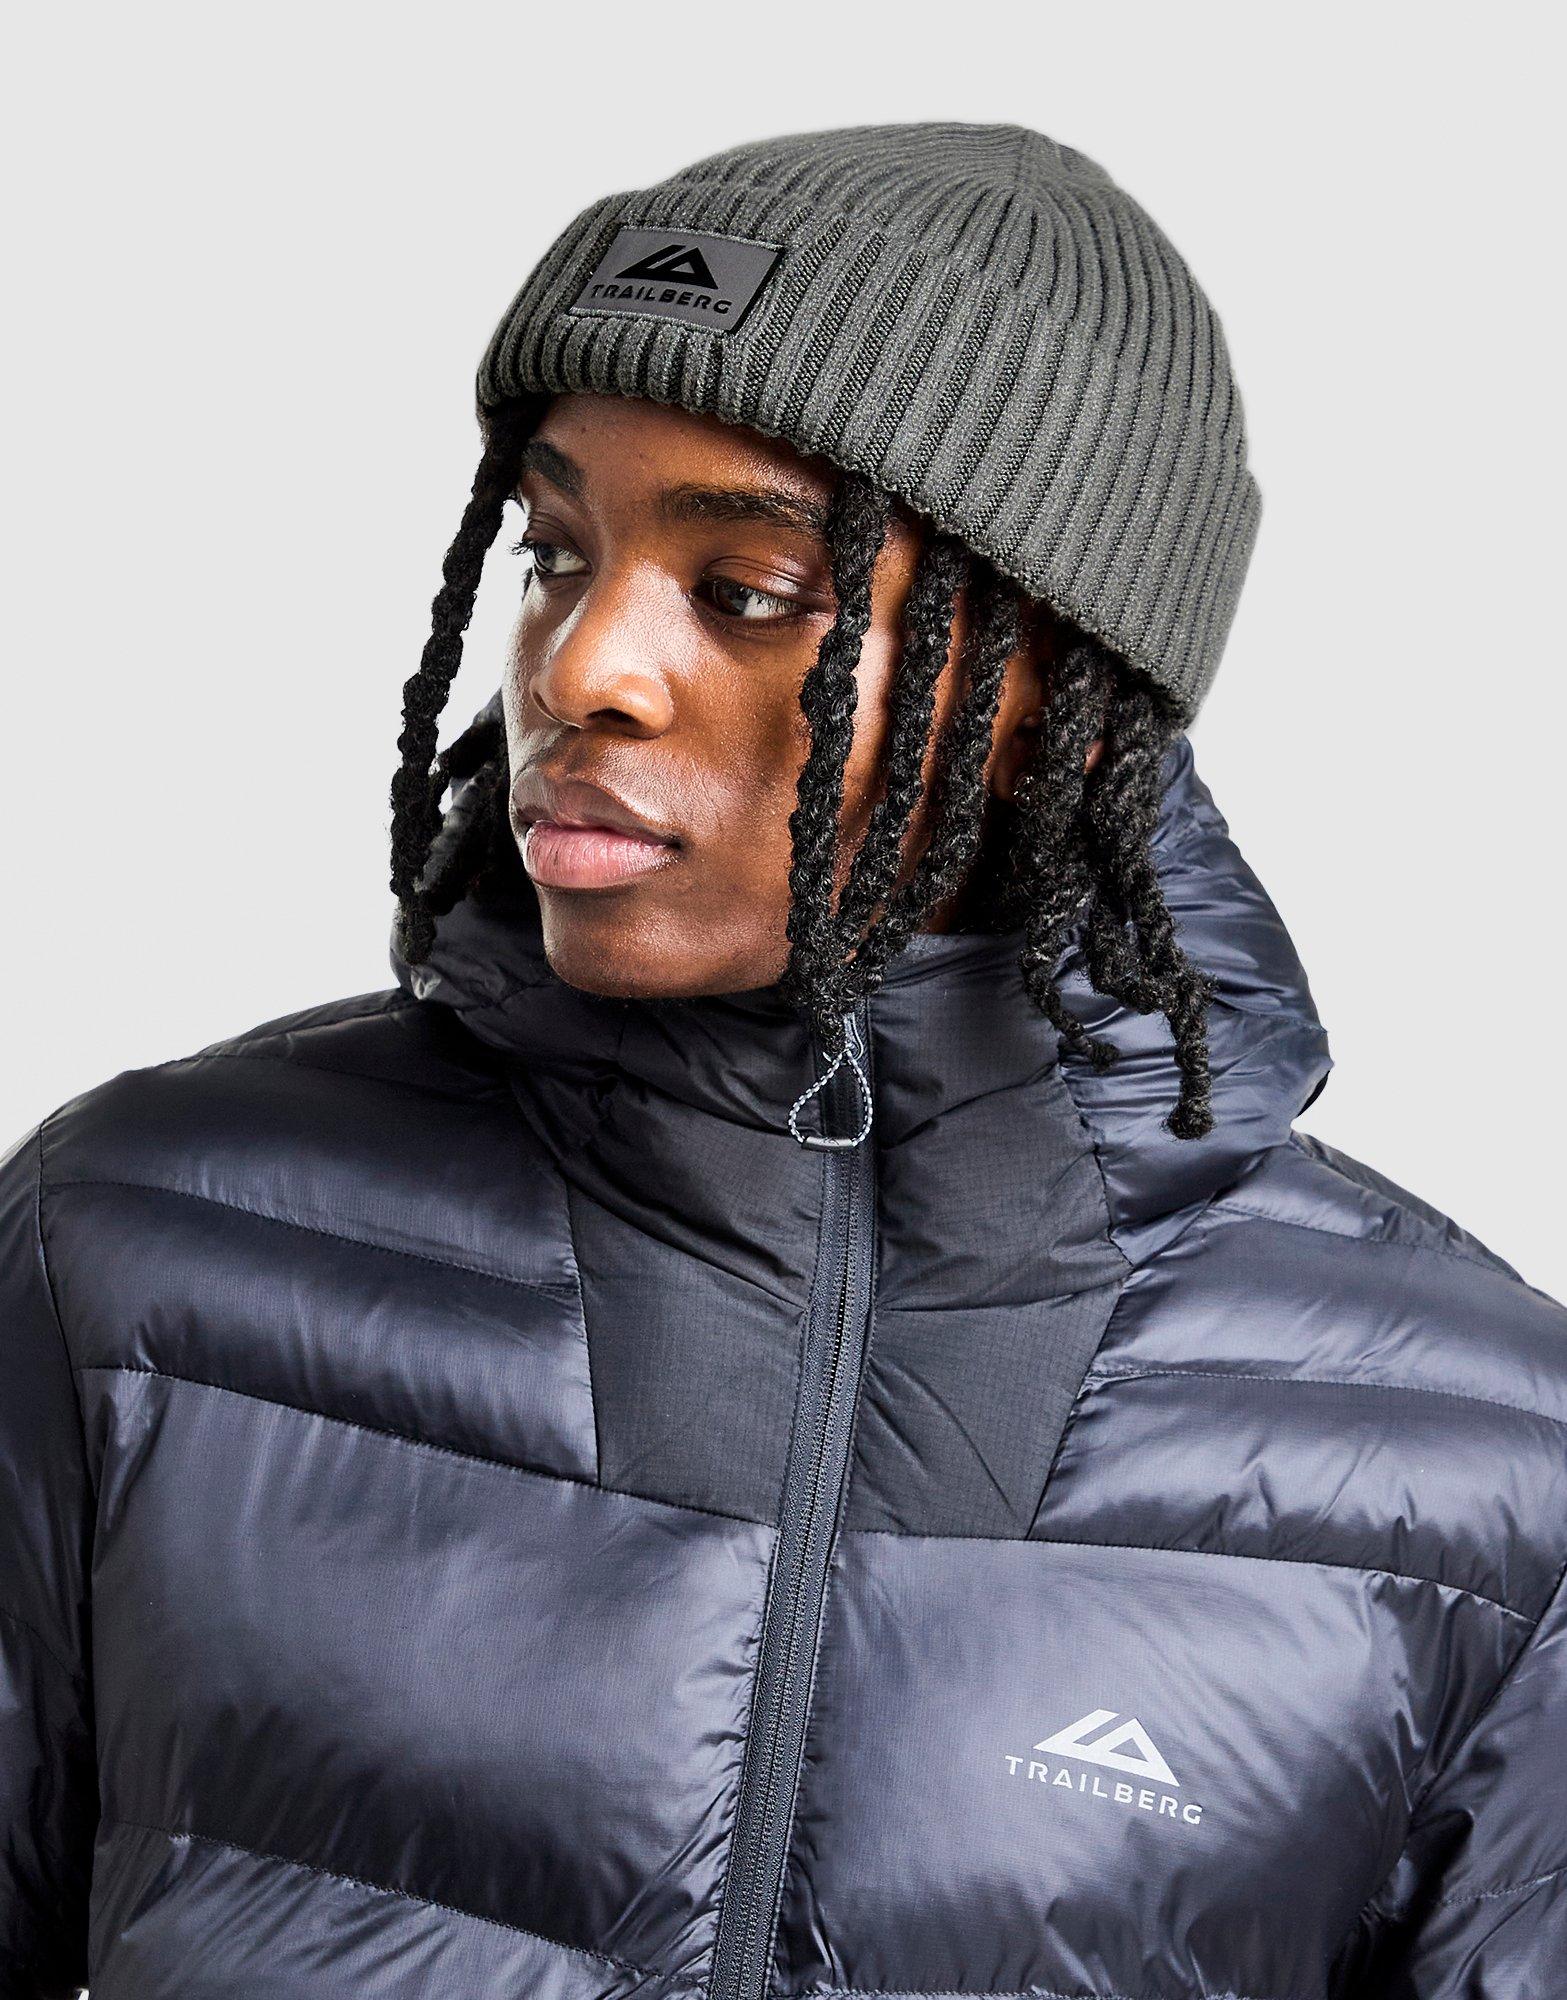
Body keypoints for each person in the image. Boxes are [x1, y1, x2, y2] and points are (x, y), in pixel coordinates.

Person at [3, 121, 1563, 2000]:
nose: (581, 666)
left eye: (746, 591)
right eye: (557, 551)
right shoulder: (136, 1253)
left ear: (1048, 700)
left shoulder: (1484, 1470)